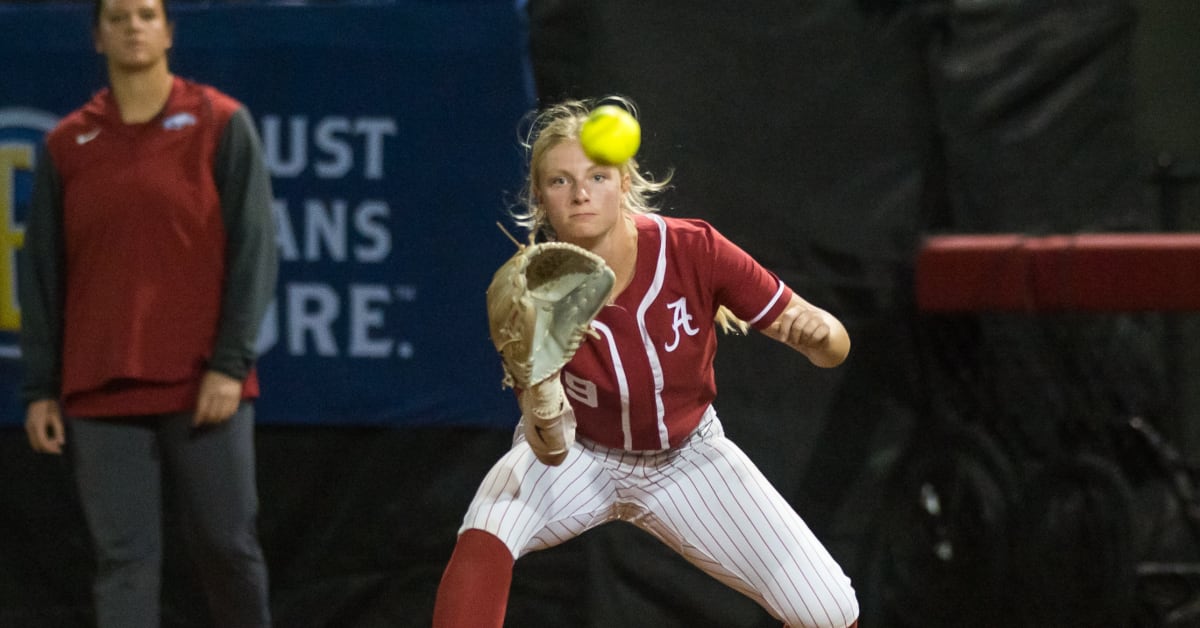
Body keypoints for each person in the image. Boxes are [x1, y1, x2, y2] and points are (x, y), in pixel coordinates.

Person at [432, 96, 859, 628]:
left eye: (598, 176)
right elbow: (550, 443)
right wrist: (540, 401)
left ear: (626, 185)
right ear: (540, 198)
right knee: (487, 527)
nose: (582, 192)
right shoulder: (532, 291)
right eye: (561, 181)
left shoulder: (692, 249)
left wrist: (821, 336)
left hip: (687, 458)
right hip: (580, 456)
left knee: (829, 609)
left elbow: (833, 346)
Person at [18, 0, 277, 625]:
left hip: (204, 384)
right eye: (117, 17)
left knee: (227, 547)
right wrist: (40, 388)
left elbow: (254, 250)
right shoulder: (65, 143)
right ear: (97, 38)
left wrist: (229, 362)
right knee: (123, 561)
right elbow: (42, 273)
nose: (133, 26)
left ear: (167, 31)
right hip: (98, 387)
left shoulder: (220, 121)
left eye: (145, 14)